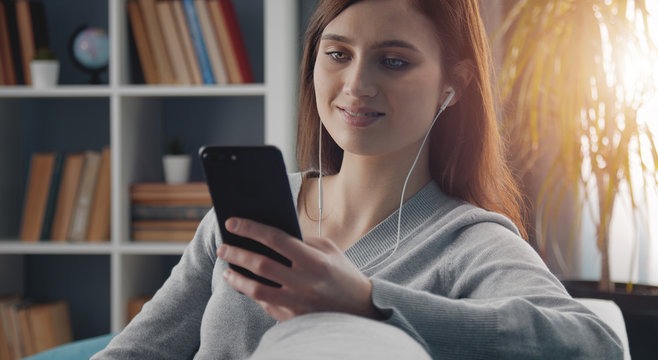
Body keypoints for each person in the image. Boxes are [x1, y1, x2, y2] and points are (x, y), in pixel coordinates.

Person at [93, 0, 623, 359]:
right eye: (338, 55)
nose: (356, 84)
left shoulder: (467, 241)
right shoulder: (238, 220)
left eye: (393, 61)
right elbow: (136, 351)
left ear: (453, 85)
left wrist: (365, 302)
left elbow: (594, 344)